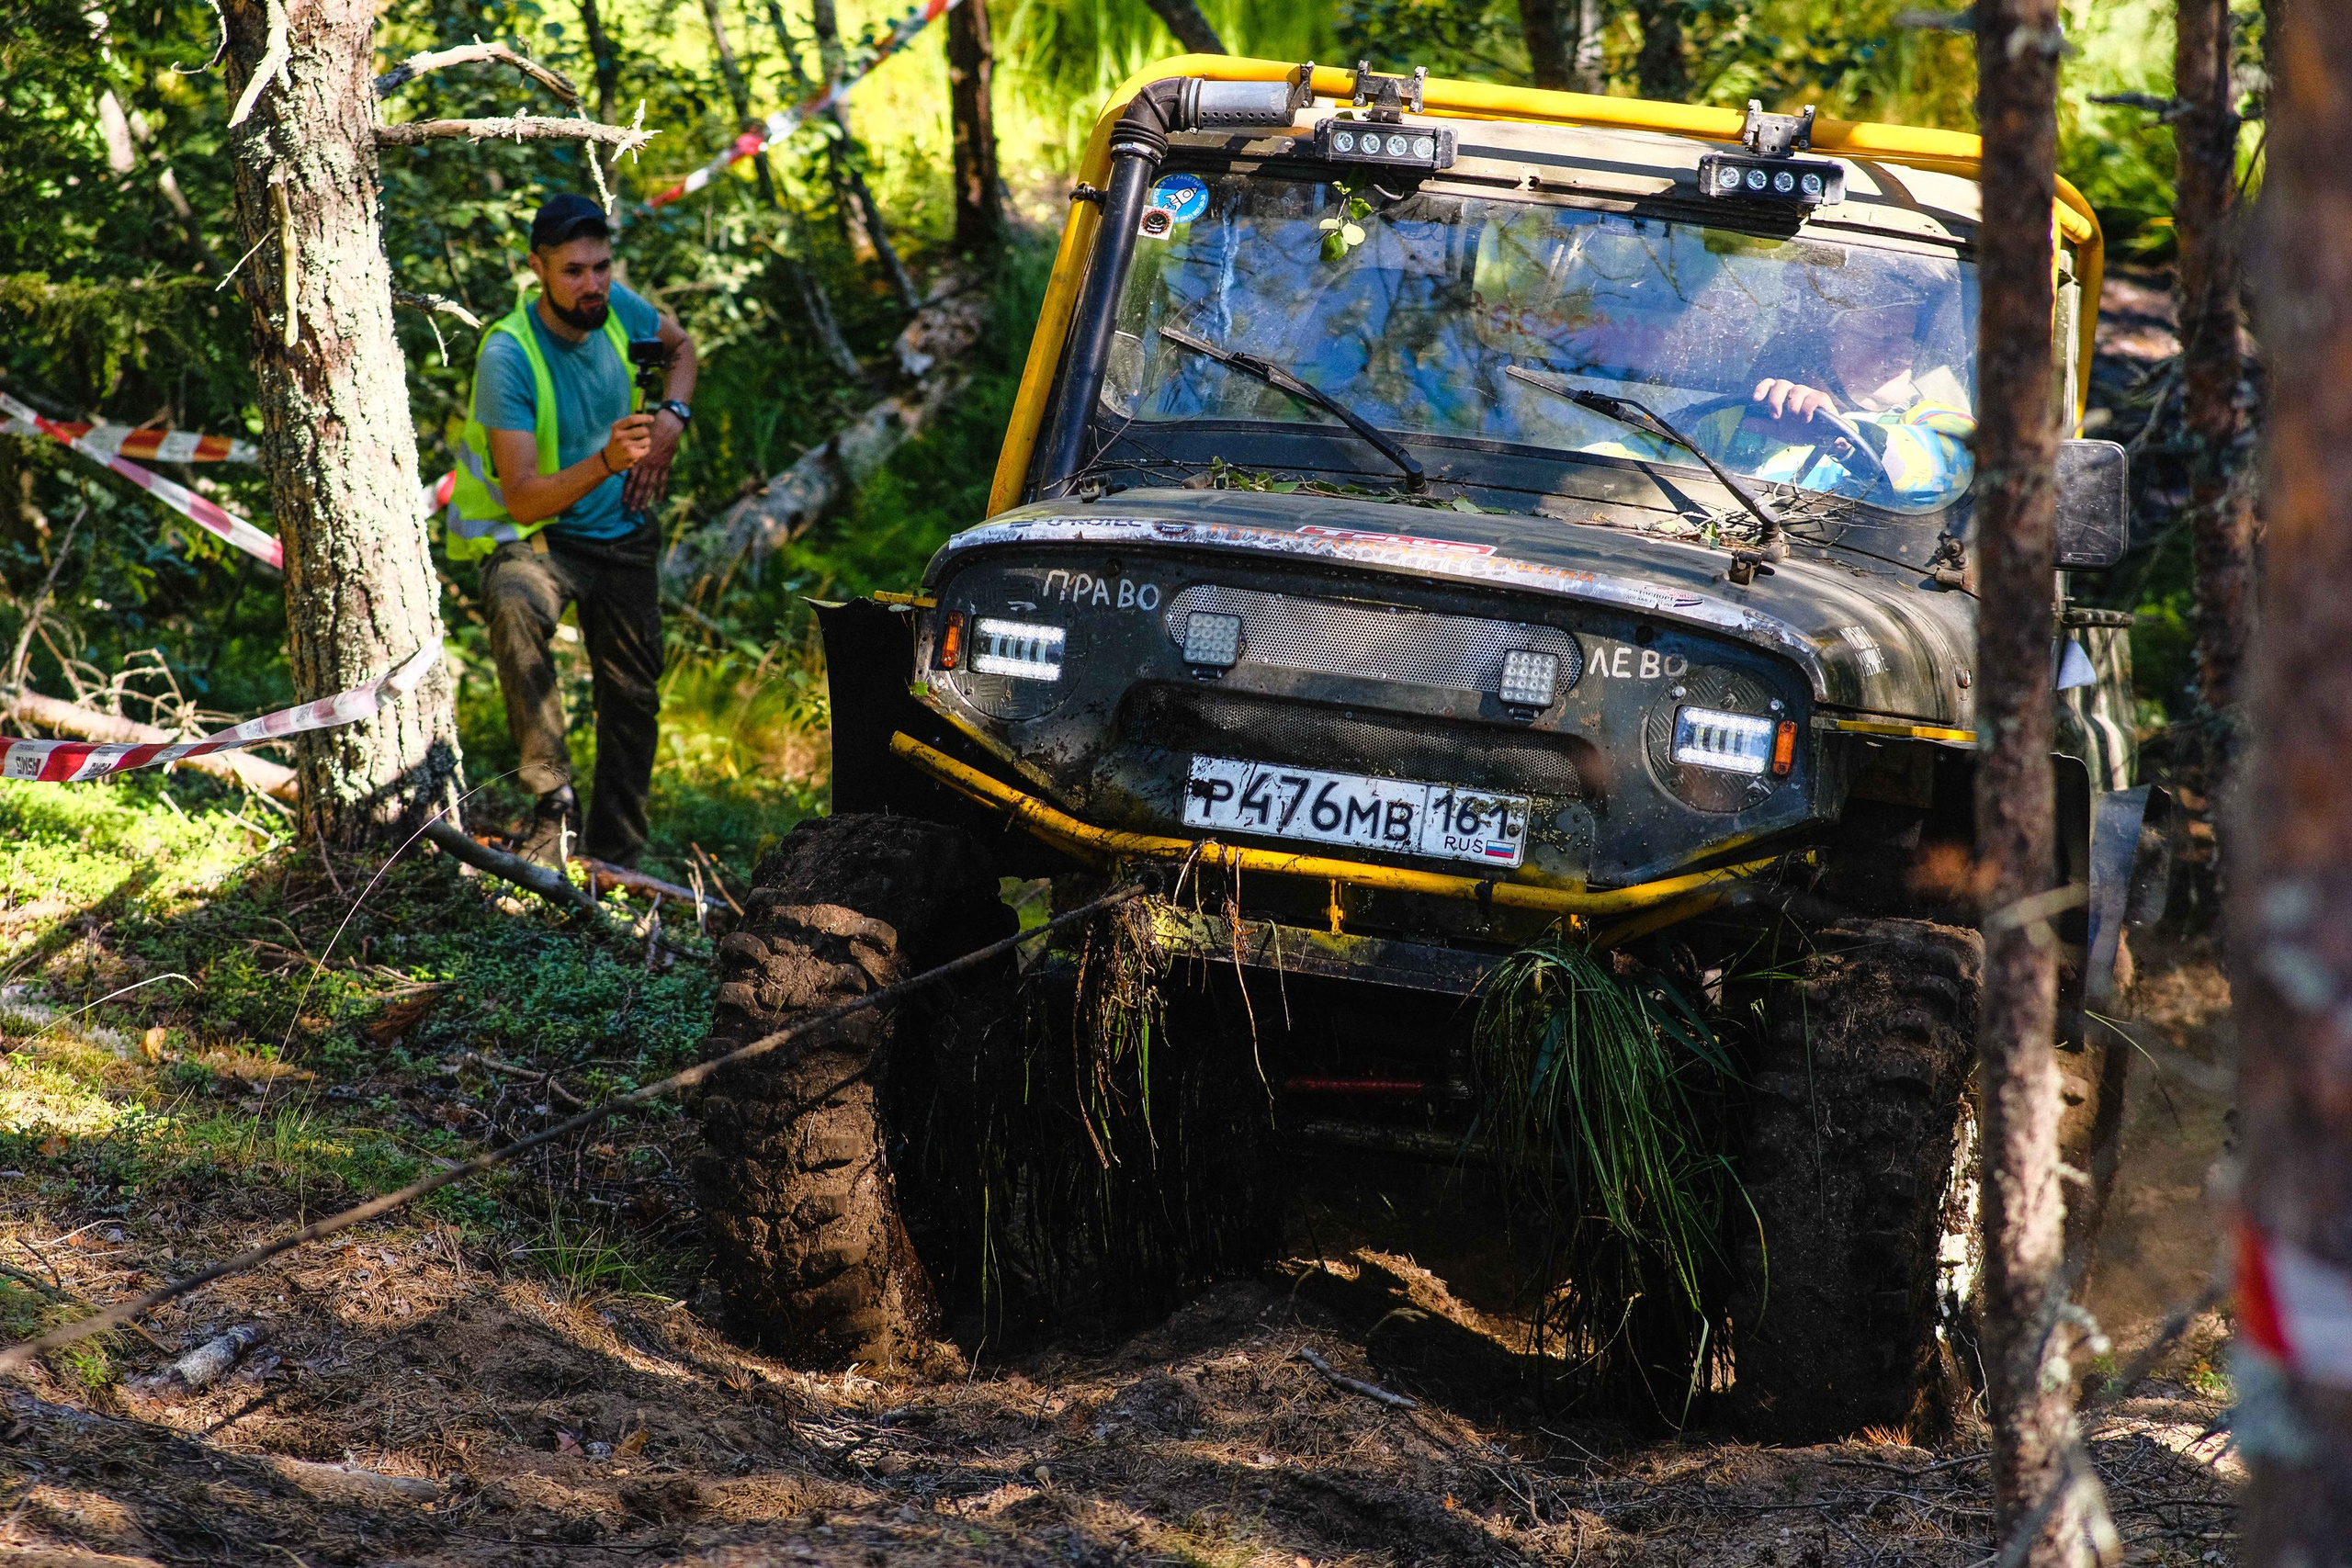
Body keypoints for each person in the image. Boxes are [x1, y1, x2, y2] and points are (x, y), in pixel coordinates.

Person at [444, 193, 698, 869]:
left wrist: (672, 417)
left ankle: (616, 859)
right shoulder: (509, 354)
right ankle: (552, 803)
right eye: (574, 271)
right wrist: (608, 461)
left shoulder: (620, 309)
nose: (593, 285)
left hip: (626, 534)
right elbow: (524, 498)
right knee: (514, 601)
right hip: (543, 540)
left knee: (633, 695)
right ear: (538, 269)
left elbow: (682, 350)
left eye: (602, 267)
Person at [1742, 292, 1976, 506]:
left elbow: (1957, 462)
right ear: (1821, 345)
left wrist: (1841, 435)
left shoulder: (1932, 416)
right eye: (1883, 338)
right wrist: (1766, 406)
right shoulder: (1747, 413)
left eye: (1909, 338)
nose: (1904, 355)